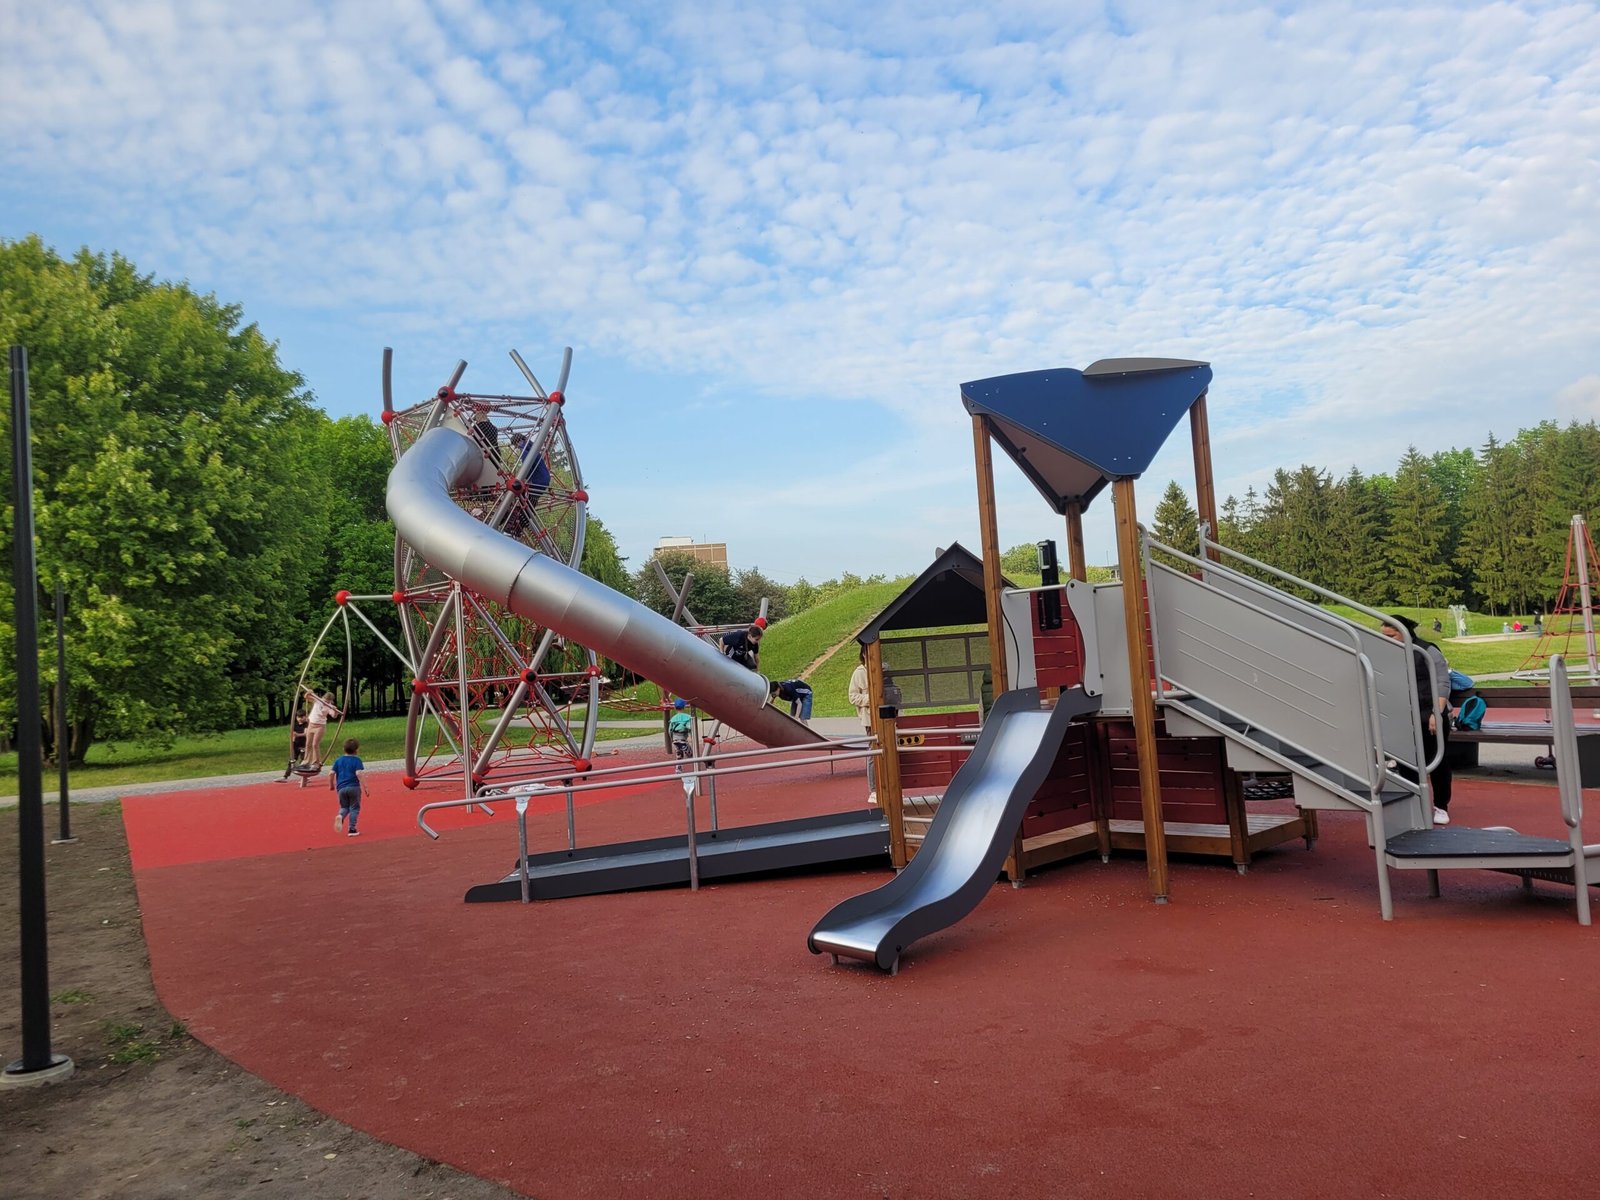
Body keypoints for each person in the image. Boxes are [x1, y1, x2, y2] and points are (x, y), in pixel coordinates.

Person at [1381, 616, 1453, 825]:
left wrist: (1436, 713)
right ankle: (1413, 803)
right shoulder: (1386, 653)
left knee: (1436, 761)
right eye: (1383, 636)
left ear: (1404, 633)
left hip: (1429, 713)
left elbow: (1442, 681)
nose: (1387, 640)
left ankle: (1441, 806)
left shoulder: (1426, 651)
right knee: (1407, 762)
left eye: (1391, 636)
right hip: (1405, 716)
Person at [848, 647, 876, 806]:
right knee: (873, 753)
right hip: (870, 719)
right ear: (864, 654)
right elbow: (852, 697)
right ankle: (873, 789)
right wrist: (870, 699)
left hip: (886, 717)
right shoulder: (859, 673)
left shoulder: (883, 668)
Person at [329, 738, 367, 837]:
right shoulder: (357, 760)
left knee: (344, 807)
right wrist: (366, 787)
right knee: (354, 808)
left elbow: (331, 773)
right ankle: (352, 829)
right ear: (357, 750)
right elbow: (359, 773)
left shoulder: (338, 760)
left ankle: (340, 816)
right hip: (353, 787)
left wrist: (331, 785)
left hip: (341, 788)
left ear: (344, 749)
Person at [304, 688, 342, 768]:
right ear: (323, 698)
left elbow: (334, 716)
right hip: (311, 724)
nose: (326, 702)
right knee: (308, 744)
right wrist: (309, 692)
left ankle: (316, 763)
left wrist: (335, 710)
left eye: (328, 701)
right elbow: (306, 697)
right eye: (325, 700)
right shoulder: (318, 700)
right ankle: (306, 761)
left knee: (315, 744)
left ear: (331, 701)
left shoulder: (329, 706)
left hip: (320, 726)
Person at [279, 708, 309, 781]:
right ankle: (285, 776)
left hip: (303, 745)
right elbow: (292, 735)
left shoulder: (306, 724)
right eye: (298, 717)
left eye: (302, 717)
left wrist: (297, 735)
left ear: (305, 717)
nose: (300, 719)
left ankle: (304, 777)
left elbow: (306, 733)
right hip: (296, 744)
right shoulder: (295, 725)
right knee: (292, 760)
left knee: (303, 761)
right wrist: (292, 742)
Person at [668, 699, 694, 770]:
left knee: (679, 754)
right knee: (690, 754)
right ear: (684, 707)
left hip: (675, 738)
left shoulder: (673, 719)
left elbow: (670, 730)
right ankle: (695, 767)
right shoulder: (687, 717)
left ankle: (678, 768)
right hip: (682, 738)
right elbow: (690, 727)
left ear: (675, 708)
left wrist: (671, 738)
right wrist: (691, 734)